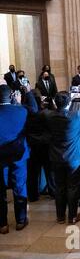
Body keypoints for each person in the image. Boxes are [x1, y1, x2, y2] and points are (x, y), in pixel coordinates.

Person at [44, 86, 80, 224]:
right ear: (69, 103)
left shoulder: (49, 116)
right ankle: (72, 216)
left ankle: (60, 216)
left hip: (56, 157)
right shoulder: (76, 115)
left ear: (55, 103)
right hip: (74, 158)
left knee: (59, 186)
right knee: (73, 187)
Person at [0, 83, 38, 234]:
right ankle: (21, 220)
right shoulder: (21, 111)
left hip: (0, 156)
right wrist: (28, 93)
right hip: (19, 155)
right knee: (19, 186)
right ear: (11, 96)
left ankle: (2, 224)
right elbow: (34, 110)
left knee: (0, 190)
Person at [26, 90, 55, 202]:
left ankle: (33, 195)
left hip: (32, 147)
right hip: (46, 146)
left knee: (33, 173)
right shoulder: (46, 114)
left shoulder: (26, 114)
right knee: (49, 171)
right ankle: (53, 192)